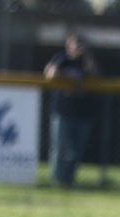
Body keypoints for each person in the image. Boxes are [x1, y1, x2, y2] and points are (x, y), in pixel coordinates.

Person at [43, 34, 99, 187]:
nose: (79, 48)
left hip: (82, 112)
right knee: (60, 148)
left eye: (82, 44)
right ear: (68, 46)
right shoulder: (62, 58)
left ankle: (69, 180)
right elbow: (50, 74)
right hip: (63, 111)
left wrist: (87, 55)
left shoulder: (86, 61)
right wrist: (71, 78)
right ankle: (57, 180)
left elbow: (94, 73)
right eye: (76, 44)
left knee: (76, 150)